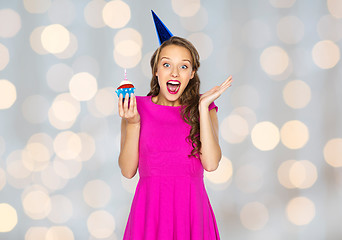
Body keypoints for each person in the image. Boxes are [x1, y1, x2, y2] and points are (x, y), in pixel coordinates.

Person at [118, 12, 232, 240]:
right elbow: (128, 170)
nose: (174, 72)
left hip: (192, 214)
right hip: (149, 215)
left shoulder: (206, 109)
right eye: (167, 64)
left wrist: (201, 107)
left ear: (191, 74)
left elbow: (211, 164)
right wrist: (133, 123)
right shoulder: (136, 108)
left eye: (183, 67)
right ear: (156, 71)